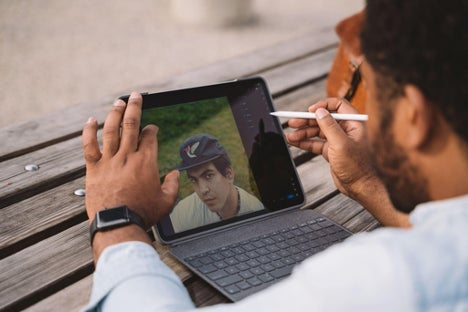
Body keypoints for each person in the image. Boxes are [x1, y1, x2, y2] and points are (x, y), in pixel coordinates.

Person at [81, 0, 468, 310]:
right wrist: (365, 182)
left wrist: (117, 220)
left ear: (414, 116)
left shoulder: (391, 278)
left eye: (375, 95)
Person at [169, 134, 264, 232]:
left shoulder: (255, 210)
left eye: (208, 176)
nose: (203, 190)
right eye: (194, 180)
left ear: (228, 174)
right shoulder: (183, 212)